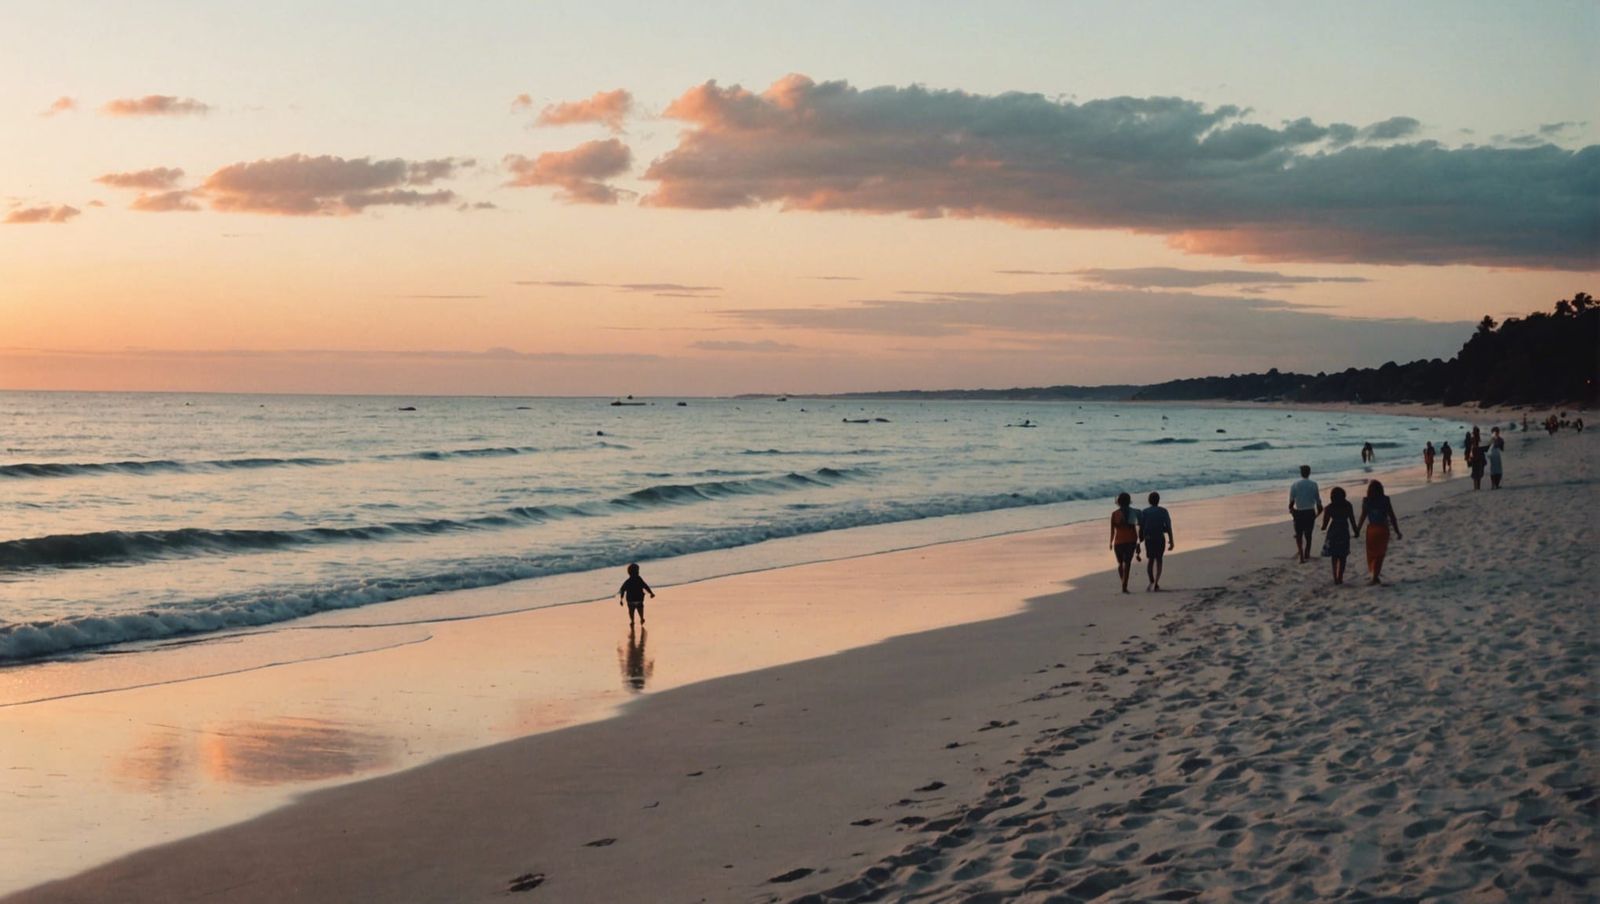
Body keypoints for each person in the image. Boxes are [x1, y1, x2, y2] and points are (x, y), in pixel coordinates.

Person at [1354, 480, 1402, 584]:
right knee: (1380, 554)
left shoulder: (1366, 501)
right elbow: (1392, 516)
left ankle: (1375, 575)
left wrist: (1357, 530)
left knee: (1371, 554)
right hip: (1383, 529)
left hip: (1371, 530)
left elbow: (1363, 516)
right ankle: (1375, 576)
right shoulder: (1385, 500)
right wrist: (1397, 531)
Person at [1319, 486, 1359, 585]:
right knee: (1343, 555)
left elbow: (1324, 525)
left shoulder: (1329, 508)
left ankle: (1335, 577)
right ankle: (1340, 576)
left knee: (1334, 555)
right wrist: (1356, 531)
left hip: (1333, 532)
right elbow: (1352, 520)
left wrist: (1322, 527)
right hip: (1344, 531)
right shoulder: (1348, 505)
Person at [1138, 491, 1174, 592]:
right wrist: (1171, 540)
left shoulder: (1144, 512)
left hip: (1149, 538)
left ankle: (1151, 581)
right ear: (1158, 500)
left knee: (1150, 560)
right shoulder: (1163, 511)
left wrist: (1139, 541)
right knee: (1159, 560)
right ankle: (1156, 582)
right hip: (1159, 537)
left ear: (1149, 501)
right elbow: (1169, 526)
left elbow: (1141, 527)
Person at [1288, 465, 1323, 563]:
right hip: (1310, 511)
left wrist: (1292, 511)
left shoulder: (1294, 485)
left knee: (1299, 535)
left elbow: (1291, 502)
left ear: (1301, 473)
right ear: (1309, 472)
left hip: (1299, 512)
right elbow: (1318, 501)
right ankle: (1307, 552)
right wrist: (1317, 514)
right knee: (1308, 535)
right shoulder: (1314, 484)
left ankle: (1301, 556)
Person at [1109, 492, 1140, 593]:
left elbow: (1112, 531)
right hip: (1131, 540)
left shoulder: (1114, 514)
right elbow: (1136, 528)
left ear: (1118, 502)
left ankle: (1123, 581)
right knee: (1127, 563)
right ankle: (1124, 585)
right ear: (1129, 501)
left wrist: (1110, 542)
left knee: (1120, 563)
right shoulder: (1133, 512)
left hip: (1118, 541)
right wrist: (1138, 543)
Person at [617, 562, 655, 626]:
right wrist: (651, 593)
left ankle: (632, 621)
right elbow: (645, 586)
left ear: (628, 573)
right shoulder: (639, 579)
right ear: (637, 571)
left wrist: (621, 599)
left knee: (631, 611)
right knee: (640, 609)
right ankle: (642, 618)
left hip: (630, 600)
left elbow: (622, 590)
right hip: (639, 598)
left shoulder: (627, 581)